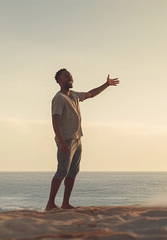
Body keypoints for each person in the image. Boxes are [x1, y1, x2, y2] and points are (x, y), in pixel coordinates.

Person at [45, 68, 119, 211]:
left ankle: (65, 203)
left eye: (71, 76)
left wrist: (106, 84)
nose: (70, 79)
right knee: (62, 171)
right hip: (66, 140)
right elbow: (55, 121)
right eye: (67, 77)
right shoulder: (59, 98)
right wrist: (61, 142)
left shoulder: (74, 95)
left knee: (73, 172)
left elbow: (91, 94)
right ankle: (50, 204)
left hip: (78, 139)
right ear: (59, 81)